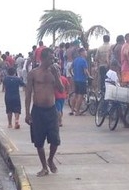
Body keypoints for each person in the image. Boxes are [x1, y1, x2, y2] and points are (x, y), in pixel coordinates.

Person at [24, 46, 65, 176]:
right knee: (38, 140)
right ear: (43, 58)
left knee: (55, 140)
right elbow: (28, 94)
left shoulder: (54, 72)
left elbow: (61, 89)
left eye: (53, 58)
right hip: (38, 110)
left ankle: (50, 159)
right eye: (50, 58)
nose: (52, 61)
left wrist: (56, 75)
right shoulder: (33, 73)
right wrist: (27, 113)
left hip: (51, 110)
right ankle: (44, 167)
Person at [69, 47, 90, 115]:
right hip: (82, 80)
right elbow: (85, 71)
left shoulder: (75, 60)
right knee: (80, 96)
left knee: (75, 95)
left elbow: (70, 69)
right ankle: (77, 111)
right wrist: (89, 76)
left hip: (76, 79)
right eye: (85, 52)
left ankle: (72, 110)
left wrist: (73, 75)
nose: (86, 53)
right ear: (82, 53)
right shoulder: (83, 61)